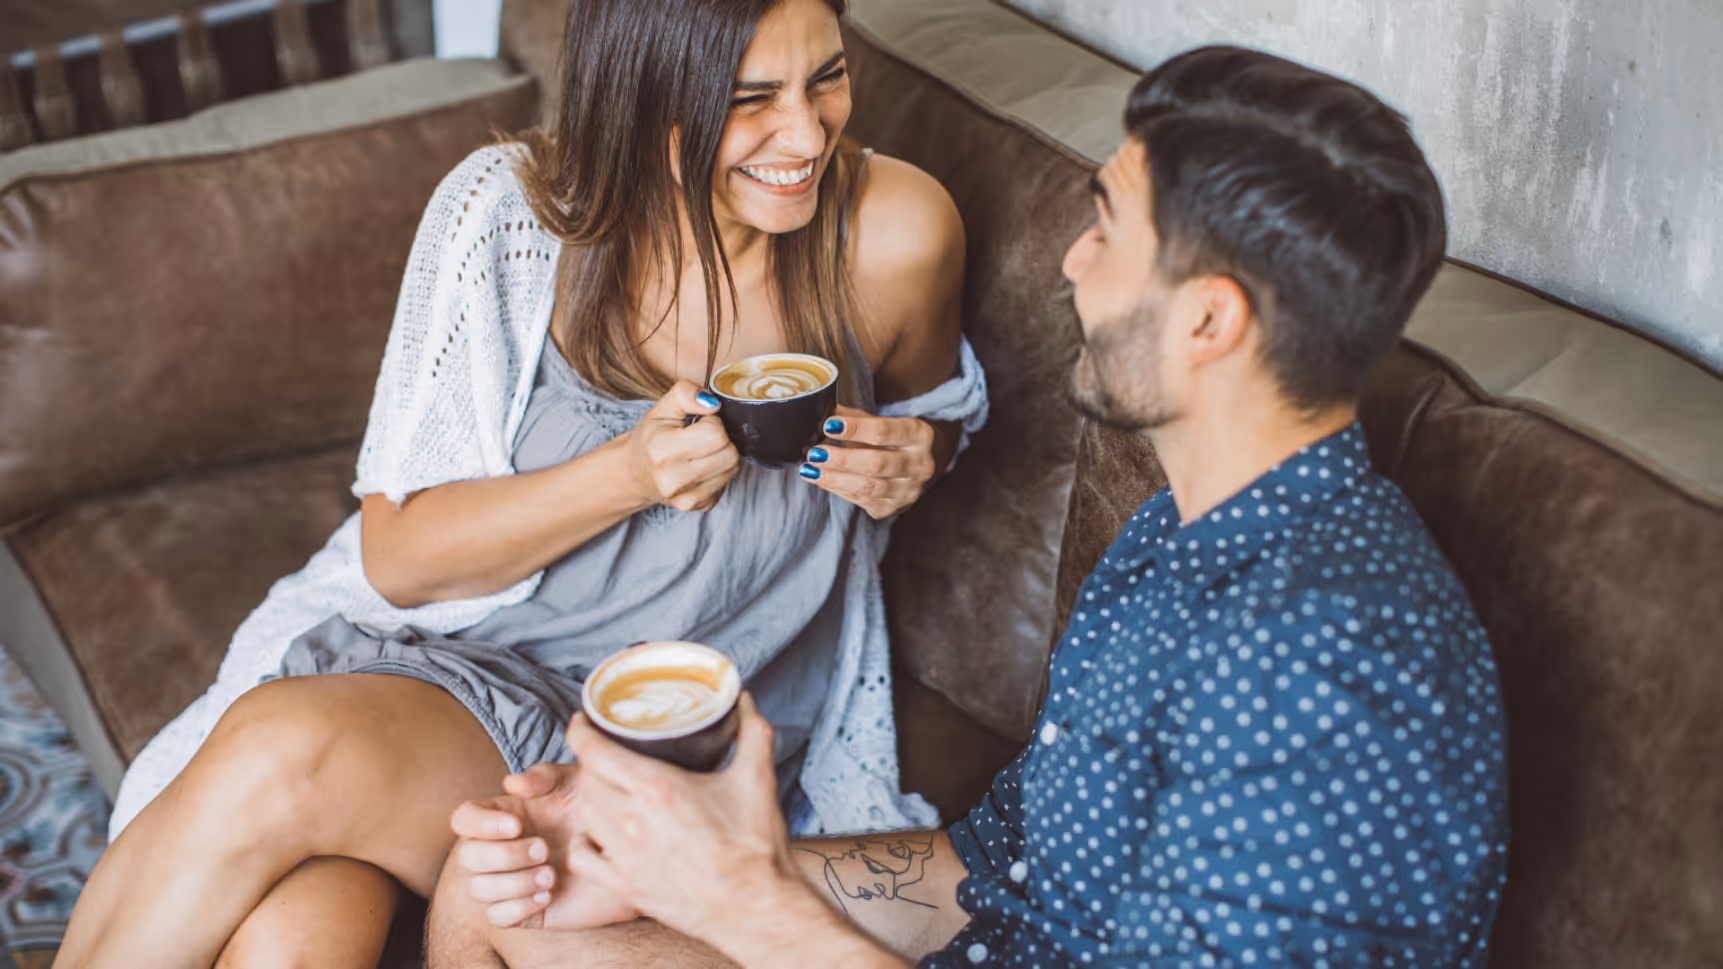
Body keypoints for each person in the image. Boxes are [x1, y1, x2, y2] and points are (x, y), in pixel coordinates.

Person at [433, 44, 1511, 969]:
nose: (1071, 265)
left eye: (1107, 232)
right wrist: (692, 853)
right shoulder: (1178, 537)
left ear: (1208, 323)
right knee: (509, 886)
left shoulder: (1328, 665)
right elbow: (988, 874)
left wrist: (739, 904)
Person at [52, 0, 987, 964]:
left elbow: (930, 430)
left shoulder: (897, 233)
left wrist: (913, 460)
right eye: (749, 99)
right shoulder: (509, 215)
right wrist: (626, 474)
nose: (806, 133)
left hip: (676, 734)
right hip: (472, 676)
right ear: (643, 98)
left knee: (296, 930)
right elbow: (400, 557)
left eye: (825, 77)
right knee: (282, 787)